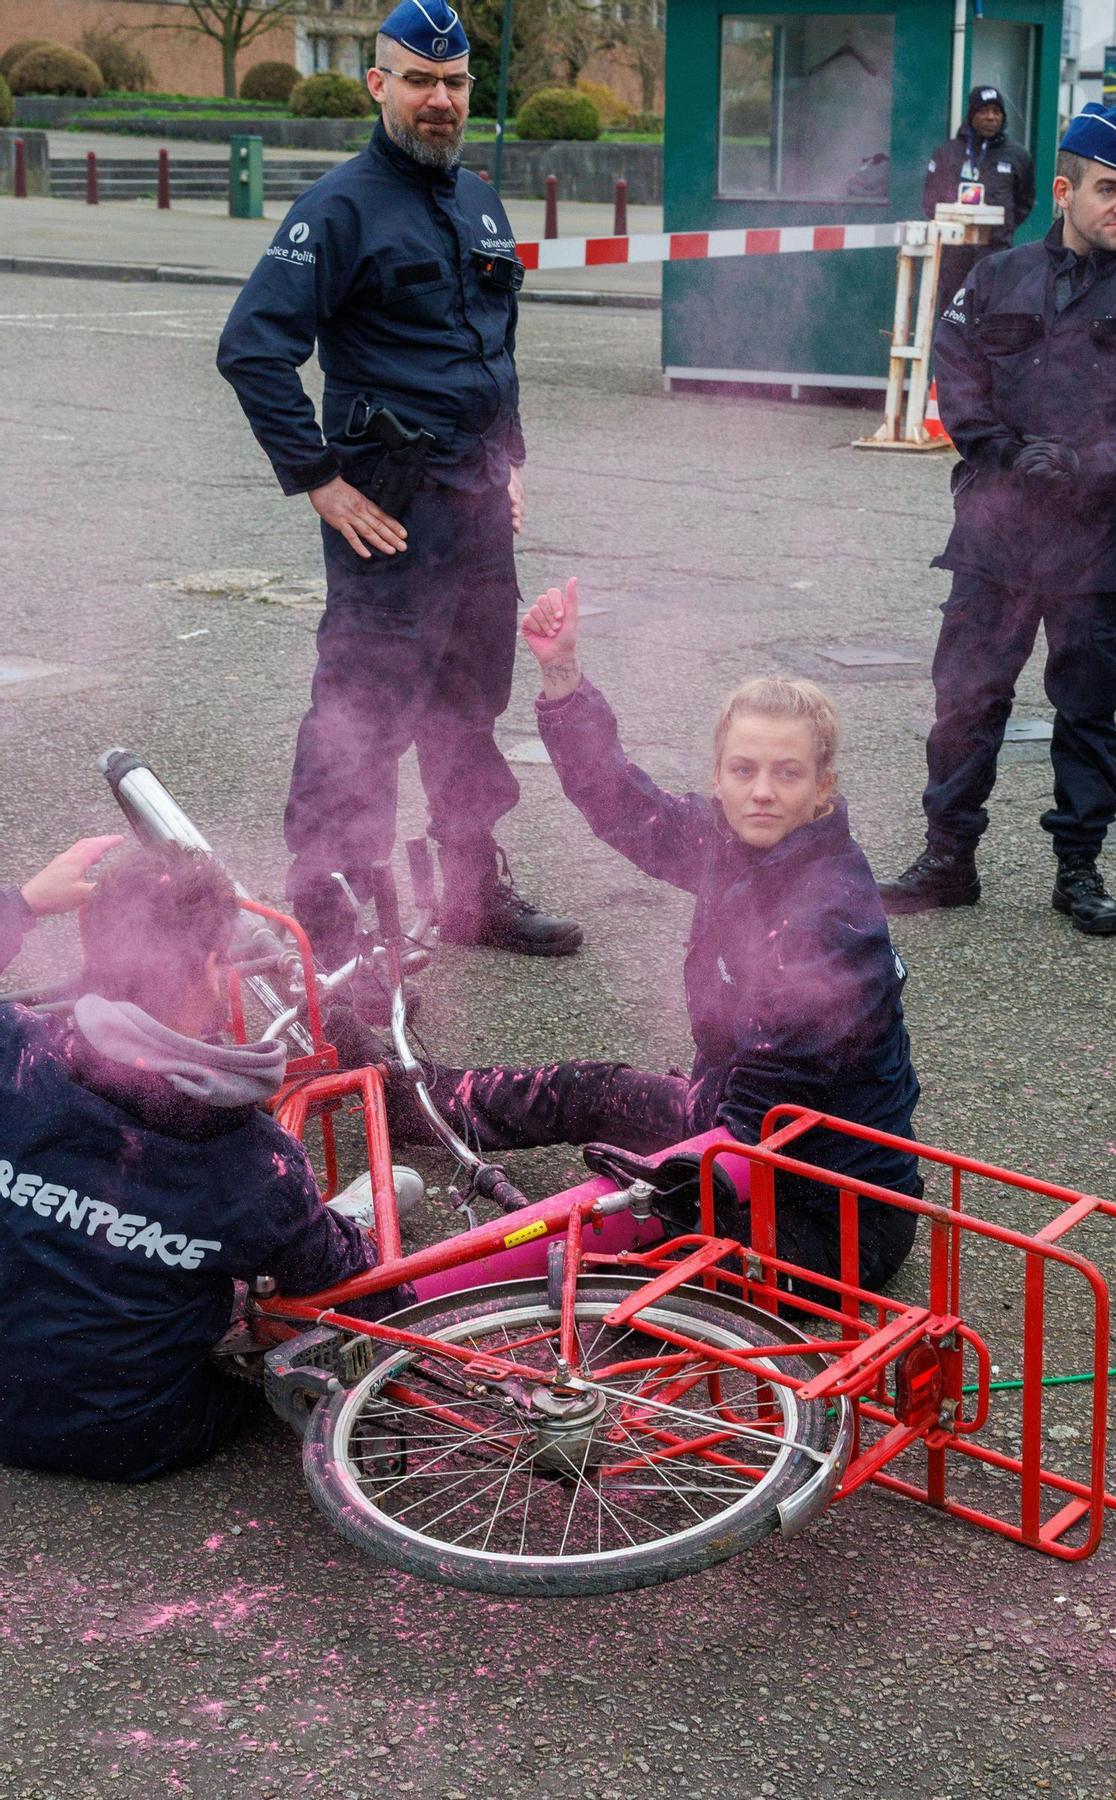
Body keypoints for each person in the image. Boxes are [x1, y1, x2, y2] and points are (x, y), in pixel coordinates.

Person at [384, 579, 923, 1293]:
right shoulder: (733, 838)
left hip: (820, 1219)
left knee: (576, 1250)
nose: (762, 791)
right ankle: (403, 1098)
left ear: (823, 787)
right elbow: (623, 805)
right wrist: (560, 675)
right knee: (588, 1091)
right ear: (719, 778)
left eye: (787, 774)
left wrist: (613, 1194)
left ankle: (399, 1290)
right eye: (745, 770)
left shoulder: (827, 917)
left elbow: (754, 1130)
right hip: (738, 1128)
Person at [216, 0, 581, 972]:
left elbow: (496, 347)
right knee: (360, 725)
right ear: (378, 83)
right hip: (390, 514)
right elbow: (253, 347)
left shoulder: (480, 201)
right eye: (419, 80)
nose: (440, 99)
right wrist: (319, 481)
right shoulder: (337, 208)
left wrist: (511, 462)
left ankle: (471, 894)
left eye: (454, 82)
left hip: (476, 508)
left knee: (470, 710)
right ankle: (334, 944)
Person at [881, 104, 1116, 937]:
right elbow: (957, 375)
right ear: (1064, 190)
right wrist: (1007, 454)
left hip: (1100, 539)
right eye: (1108, 189)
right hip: (997, 529)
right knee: (966, 699)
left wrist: (1088, 465)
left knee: (1089, 713)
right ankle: (948, 858)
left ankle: (1078, 868)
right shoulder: (998, 278)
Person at [0, 840, 404, 1483]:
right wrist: (338, 1233)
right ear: (219, 967)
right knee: (279, 1291)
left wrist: (21, 904)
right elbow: (364, 1294)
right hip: (133, 1435)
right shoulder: (252, 1163)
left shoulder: (16, 1050)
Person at [923, 84, 1035, 312]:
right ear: (971, 114)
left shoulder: (1018, 155)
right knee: (952, 317)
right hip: (954, 254)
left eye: (996, 112)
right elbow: (930, 199)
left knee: (992, 315)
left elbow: (1024, 201)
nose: (990, 118)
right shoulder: (948, 152)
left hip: (997, 253)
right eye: (983, 111)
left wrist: (1002, 228)